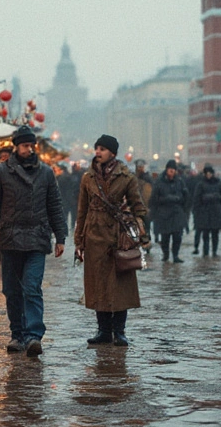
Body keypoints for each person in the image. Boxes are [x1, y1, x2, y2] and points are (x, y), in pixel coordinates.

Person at [0, 126, 67, 357]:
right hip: (9, 239)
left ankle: (33, 336)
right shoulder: (1, 172)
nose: (29, 149)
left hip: (37, 239)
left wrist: (61, 237)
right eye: (25, 145)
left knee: (31, 287)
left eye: (31, 146)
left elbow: (55, 206)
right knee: (11, 290)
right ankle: (17, 334)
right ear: (16, 147)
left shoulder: (46, 173)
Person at [76, 134, 148, 346]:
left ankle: (120, 331)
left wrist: (138, 231)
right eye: (97, 148)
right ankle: (103, 331)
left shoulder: (127, 177)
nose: (98, 152)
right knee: (98, 284)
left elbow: (138, 207)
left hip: (119, 237)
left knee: (120, 285)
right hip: (95, 236)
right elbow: (82, 210)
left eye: (103, 149)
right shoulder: (87, 178)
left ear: (113, 153)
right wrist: (79, 240)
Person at [148, 160, 191, 262]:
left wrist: (182, 205)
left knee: (177, 236)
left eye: (173, 170)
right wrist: (164, 200)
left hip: (177, 213)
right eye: (170, 169)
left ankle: (175, 255)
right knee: (165, 237)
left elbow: (186, 197)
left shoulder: (180, 182)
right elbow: (154, 199)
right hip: (164, 214)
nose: (172, 172)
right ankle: (166, 254)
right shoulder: (159, 182)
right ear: (166, 170)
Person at [190, 165, 221, 256]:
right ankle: (206, 252)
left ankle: (214, 251)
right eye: (207, 173)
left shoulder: (218, 183)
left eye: (210, 173)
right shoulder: (200, 184)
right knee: (205, 234)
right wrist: (196, 211)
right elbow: (197, 198)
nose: (208, 175)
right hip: (204, 212)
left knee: (215, 234)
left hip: (216, 212)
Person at [57, 163, 81, 232]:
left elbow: (60, 189)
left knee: (65, 213)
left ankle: (65, 227)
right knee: (73, 213)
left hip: (65, 198)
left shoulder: (61, 178)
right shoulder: (72, 177)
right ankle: (72, 226)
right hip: (72, 198)